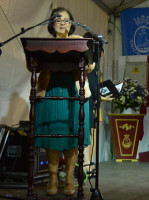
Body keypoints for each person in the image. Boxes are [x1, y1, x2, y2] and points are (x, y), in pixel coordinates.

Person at [34, 7, 93, 196]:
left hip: (74, 89)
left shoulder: (78, 42)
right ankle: (52, 178)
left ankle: (68, 179)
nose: (62, 22)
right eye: (58, 19)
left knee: (72, 136)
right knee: (52, 135)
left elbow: (90, 65)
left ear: (72, 24)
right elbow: (31, 64)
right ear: (51, 24)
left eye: (66, 20)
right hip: (50, 89)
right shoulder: (42, 44)